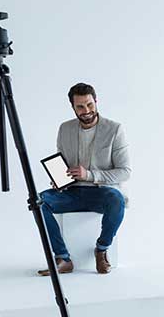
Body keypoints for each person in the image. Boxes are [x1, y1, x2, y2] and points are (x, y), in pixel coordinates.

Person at [37, 83, 130, 276]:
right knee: (38, 201)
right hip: (71, 191)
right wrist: (59, 179)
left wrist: (88, 174)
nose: (86, 110)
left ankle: (102, 249)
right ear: (73, 107)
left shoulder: (114, 129)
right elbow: (61, 161)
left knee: (117, 200)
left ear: (96, 101)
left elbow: (124, 171)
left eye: (89, 104)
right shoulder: (65, 129)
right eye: (80, 106)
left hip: (101, 191)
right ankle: (62, 258)